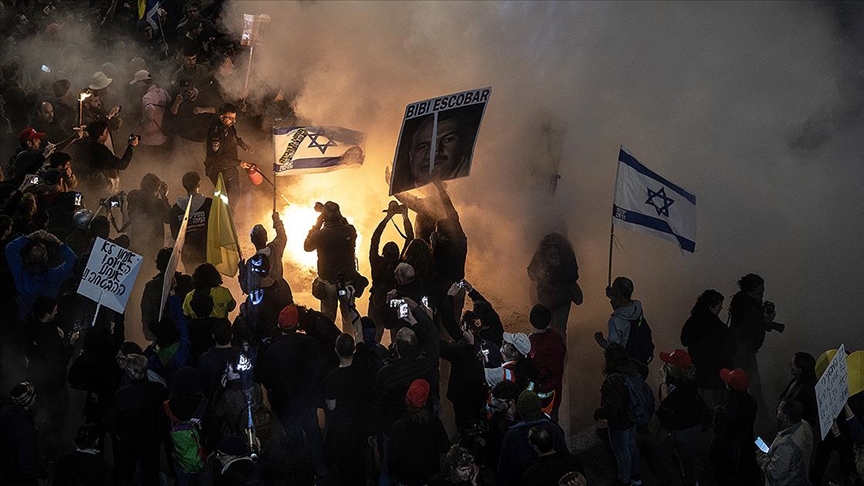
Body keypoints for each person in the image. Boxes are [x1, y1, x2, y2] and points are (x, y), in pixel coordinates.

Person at [258, 304, 327, 477]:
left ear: (279, 325)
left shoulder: (272, 350)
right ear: (297, 324)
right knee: (314, 433)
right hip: (308, 401)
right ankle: (321, 470)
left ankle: (301, 474)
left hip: (286, 405)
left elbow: (267, 379)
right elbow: (321, 369)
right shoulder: (311, 343)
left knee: (295, 438)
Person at [105, 355, 167, 486]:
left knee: (128, 473)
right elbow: (163, 415)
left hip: (129, 442)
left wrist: (120, 435)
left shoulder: (121, 395)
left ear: (129, 372)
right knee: (151, 473)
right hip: (152, 440)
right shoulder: (158, 389)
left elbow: (111, 423)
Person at [304, 201, 365, 331]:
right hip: (347, 282)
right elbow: (344, 223)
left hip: (328, 283)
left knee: (327, 319)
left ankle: (329, 341)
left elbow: (307, 246)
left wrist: (318, 223)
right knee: (349, 317)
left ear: (324, 218)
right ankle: (349, 340)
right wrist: (332, 214)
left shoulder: (319, 235)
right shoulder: (350, 231)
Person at [728, 273, 779, 429]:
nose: (762, 295)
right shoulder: (742, 304)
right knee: (751, 384)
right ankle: (757, 419)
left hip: (747, 350)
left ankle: (758, 417)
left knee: (752, 384)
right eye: (758, 292)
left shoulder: (751, 302)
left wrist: (765, 314)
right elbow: (750, 325)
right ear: (749, 291)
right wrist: (765, 319)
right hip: (741, 351)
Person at [654, 349, 708, 486]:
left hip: (683, 429)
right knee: (661, 453)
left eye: (668, 364)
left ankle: (691, 482)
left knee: (687, 459)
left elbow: (666, 404)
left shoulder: (685, 389)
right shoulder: (682, 378)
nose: (664, 366)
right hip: (678, 425)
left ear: (675, 369)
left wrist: (663, 381)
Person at [324, 333, 372, 485]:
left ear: (336, 351)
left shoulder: (333, 378)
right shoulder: (362, 364)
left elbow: (331, 406)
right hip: (362, 422)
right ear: (353, 349)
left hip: (343, 428)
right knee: (361, 459)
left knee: (345, 464)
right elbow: (360, 335)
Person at [593, 343, 645, 486]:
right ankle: (636, 477)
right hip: (632, 415)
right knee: (631, 446)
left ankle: (624, 480)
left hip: (620, 422)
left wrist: (599, 412)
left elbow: (612, 407)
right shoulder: (631, 369)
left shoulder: (614, 379)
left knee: (622, 453)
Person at [680, 289, 737, 410]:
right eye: (719, 306)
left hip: (699, 371)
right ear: (710, 307)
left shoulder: (692, 321)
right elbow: (732, 347)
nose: (721, 309)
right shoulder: (717, 325)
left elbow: (684, 340)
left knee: (703, 405)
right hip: (717, 373)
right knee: (717, 407)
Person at [498, 390, 570, 486]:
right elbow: (564, 456)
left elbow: (505, 471)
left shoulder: (511, 436)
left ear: (520, 411)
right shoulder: (553, 428)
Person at [388, 379, 451, 486]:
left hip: (406, 478)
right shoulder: (435, 423)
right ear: (425, 402)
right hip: (430, 477)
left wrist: (393, 475)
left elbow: (393, 457)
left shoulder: (398, 427)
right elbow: (444, 448)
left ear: (406, 400)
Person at [393, 111, 474, 192]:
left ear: (464, 143)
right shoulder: (414, 188)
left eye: (447, 140)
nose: (434, 152)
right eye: (423, 147)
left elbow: (446, 201)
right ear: (411, 156)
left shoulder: (471, 184)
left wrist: (439, 187)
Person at [5, 229, 77, 318]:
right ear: (46, 258)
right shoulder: (53, 275)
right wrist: (58, 242)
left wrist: (30, 236)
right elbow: (73, 261)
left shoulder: (19, 271)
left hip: (22, 312)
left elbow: (10, 248)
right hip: (44, 316)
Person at [368, 201, 413, 341]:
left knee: (374, 335)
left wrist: (388, 218)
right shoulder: (401, 264)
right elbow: (410, 238)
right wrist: (405, 217)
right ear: (399, 253)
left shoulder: (376, 262)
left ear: (383, 252)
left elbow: (375, 239)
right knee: (397, 334)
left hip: (377, 300)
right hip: (396, 300)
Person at [526, 233, 582, 338]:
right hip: (547, 297)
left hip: (563, 298)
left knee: (560, 329)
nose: (552, 249)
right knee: (547, 327)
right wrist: (542, 272)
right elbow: (531, 272)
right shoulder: (540, 255)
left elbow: (574, 275)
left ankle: (560, 348)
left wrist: (557, 268)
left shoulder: (567, 254)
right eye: (549, 246)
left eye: (555, 245)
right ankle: (550, 347)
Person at [710, 368, 760, 485]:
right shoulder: (751, 401)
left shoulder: (727, 410)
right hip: (747, 445)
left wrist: (718, 415)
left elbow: (720, 432)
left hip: (730, 450)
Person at [203, 103, 254, 204]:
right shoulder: (216, 133)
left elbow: (233, 137)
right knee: (229, 198)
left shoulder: (228, 126)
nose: (234, 121)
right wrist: (239, 163)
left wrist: (241, 144)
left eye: (234, 118)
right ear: (222, 117)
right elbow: (216, 158)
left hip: (229, 167)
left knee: (235, 193)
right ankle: (228, 213)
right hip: (220, 170)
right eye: (230, 118)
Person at [75, 120, 138, 200]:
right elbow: (121, 165)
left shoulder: (85, 144)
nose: (108, 135)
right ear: (100, 137)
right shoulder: (100, 151)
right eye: (106, 132)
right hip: (100, 188)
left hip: (87, 186)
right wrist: (131, 147)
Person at [141, 247, 194, 341]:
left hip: (161, 334)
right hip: (184, 331)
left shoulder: (151, 286)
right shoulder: (187, 281)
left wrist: (149, 334)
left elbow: (146, 312)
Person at [595, 276, 652, 363]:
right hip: (642, 356)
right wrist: (613, 298)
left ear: (618, 295)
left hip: (627, 362)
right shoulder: (637, 307)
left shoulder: (615, 321)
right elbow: (624, 311)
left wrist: (599, 339)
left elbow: (612, 348)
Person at [757, 399, 813, 486]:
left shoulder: (786, 446)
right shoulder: (805, 425)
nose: (777, 409)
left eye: (780, 409)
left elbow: (774, 473)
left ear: (786, 418)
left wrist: (761, 457)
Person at [527, 304, 566, 419]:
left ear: (531, 320)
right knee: (552, 418)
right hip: (555, 391)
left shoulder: (530, 344)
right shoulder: (556, 337)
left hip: (536, 394)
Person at [169, 171, 212, 272]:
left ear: (184, 186)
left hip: (187, 255)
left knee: (191, 278)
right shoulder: (209, 203)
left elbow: (175, 233)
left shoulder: (176, 208)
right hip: (206, 252)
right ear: (199, 184)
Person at [0, 382, 39, 485]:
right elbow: (25, 462)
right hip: (18, 478)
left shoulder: (4, 413)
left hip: (5, 471)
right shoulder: (26, 428)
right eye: (33, 395)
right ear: (28, 400)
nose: (35, 396)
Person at [126, 172, 171, 257]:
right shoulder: (157, 204)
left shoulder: (133, 196)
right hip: (153, 244)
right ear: (155, 189)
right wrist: (164, 197)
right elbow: (168, 218)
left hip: (134, 240)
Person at [777, 353, 819, 437]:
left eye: (792, 364)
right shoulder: (797, 379)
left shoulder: (807, 390)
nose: (790, 366)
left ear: (800, 370)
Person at [130, 69, 171, 153]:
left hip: (149, 140)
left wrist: (141, 123)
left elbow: (150, 116)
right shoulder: (164, 92)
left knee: (148, 160)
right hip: (164, 137)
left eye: (137, 84)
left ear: (142, 83)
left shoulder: (147, 97)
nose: (136, 88)